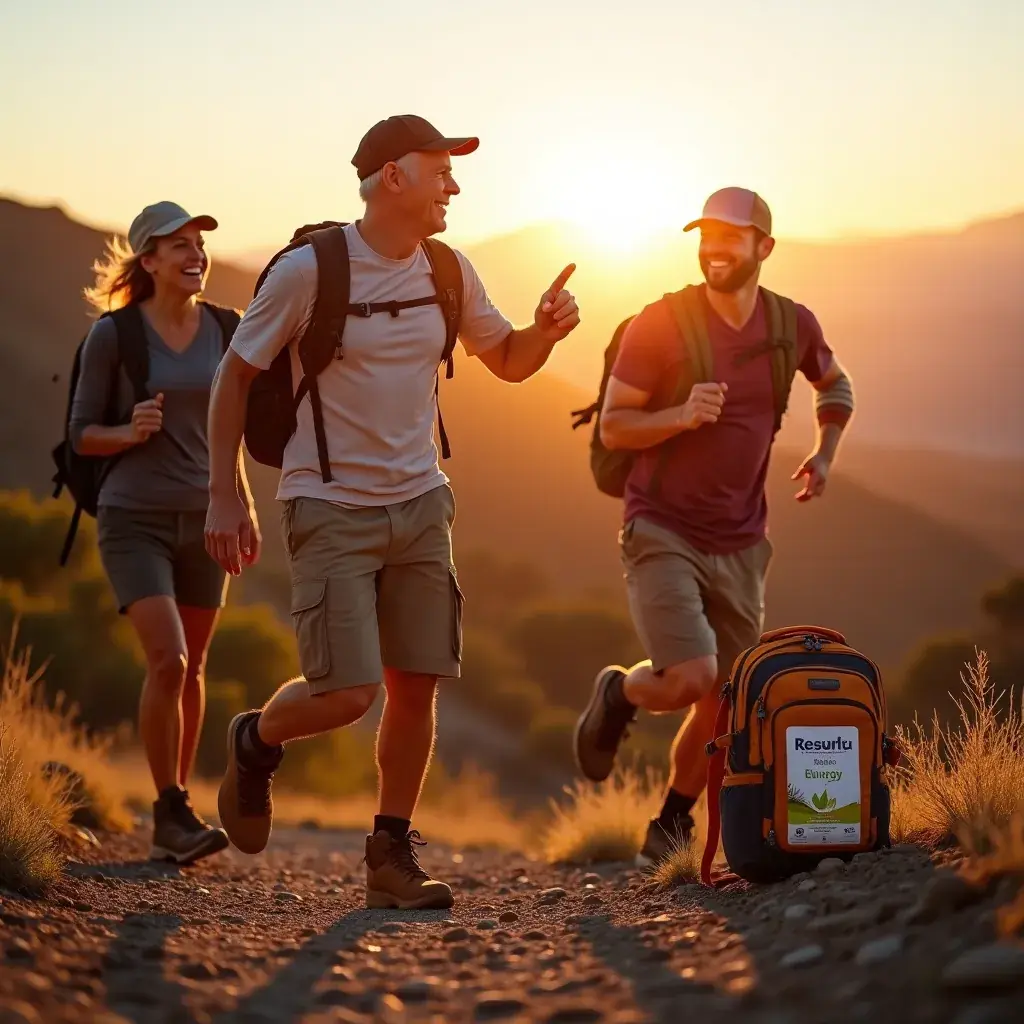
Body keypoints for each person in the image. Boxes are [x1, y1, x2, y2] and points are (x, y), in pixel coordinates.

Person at [204, 114, 580, 909]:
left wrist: (543, 333)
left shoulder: (448, 269)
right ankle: (255, 738)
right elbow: (234, 375)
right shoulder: (308, 272)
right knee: (349, 693)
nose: (454, 186)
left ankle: (388, 855)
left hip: (420, 504)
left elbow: (507, 360)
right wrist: (224, 491)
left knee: (417, 684)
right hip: (327, 504)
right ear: (393, 178)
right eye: (440, 171)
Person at [572, 187, 856, 866]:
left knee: (729, 697)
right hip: (660, 526)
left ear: (764, 247)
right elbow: (614, 426)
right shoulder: (660, 325)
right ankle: (621, 691)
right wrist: (680, 415)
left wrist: (824, 454)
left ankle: (671, 820)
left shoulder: (791, 324)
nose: (714, 248)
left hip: (743, 539)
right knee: (690, 676)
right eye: (706, 235)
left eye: (731, 236)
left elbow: (836, 386)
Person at [70, 201, 242, 864]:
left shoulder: (224, 328)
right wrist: (128, 430)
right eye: (180, 246)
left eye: (200, 244)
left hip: (205, 519)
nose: (196, 255)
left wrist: (241, 505)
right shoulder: (114, 336)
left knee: (193, 667)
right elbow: (81, 435)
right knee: (168, 659)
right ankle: (169, 808)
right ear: (149, 260)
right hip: (133, 517)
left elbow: (228, 430)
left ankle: (179, 813)